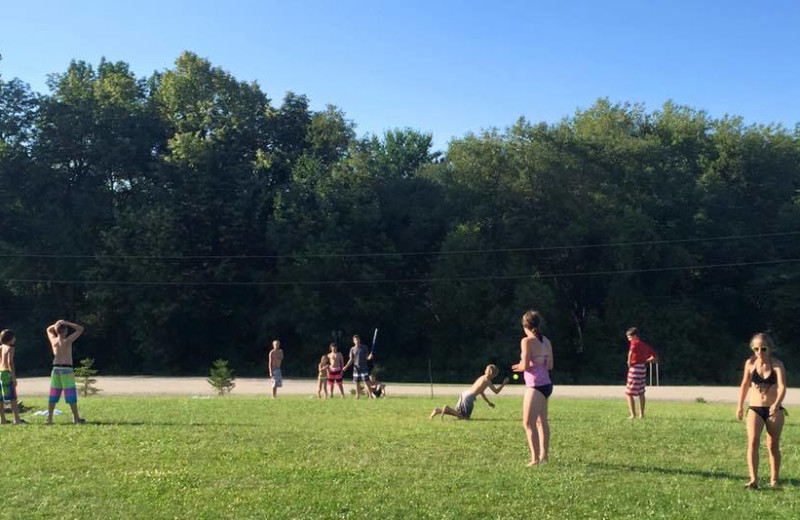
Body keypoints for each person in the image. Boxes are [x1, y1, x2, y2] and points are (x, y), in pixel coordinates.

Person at [736, 333, 787, 489]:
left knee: (772, 445)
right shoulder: (750, 364)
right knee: (752, 442)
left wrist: (777, 404)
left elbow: (783, 387)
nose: (759, 352)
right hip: (755, 408)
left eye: (763, 349)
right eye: (756, 348)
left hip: (774, 409)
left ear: (770, 349)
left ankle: (774, 479)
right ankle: (753, 479)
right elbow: (744, 385)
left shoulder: (777, 364)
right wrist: (740, 405)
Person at [511, 310, 554, 466]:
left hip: (535, 385)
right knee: (542, 422)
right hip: (547, 385)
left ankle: (535, 459)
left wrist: (520, 366)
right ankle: (544, 456)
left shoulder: (527, 341)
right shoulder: (546, 341)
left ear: (525, 326)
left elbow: (526, 364)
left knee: (528, 423)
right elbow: (550, 365)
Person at [429, 364, 508, 419]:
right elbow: (496, 391)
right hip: (469, 397)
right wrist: (503, 383)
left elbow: (481, 392)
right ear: (493, 375)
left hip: (465, 394)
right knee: (465, 417)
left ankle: (438, 410)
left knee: (459, 414)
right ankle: (447, 408)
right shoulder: (488, 381)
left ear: (485, 371)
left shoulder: (482, 378)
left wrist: (488, 402)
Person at [46, 319, 85, 424]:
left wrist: (56, 324)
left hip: (56, 369)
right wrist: (66, 323)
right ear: (65, 331)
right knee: (70, 395)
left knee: (53, 395)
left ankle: (50, 418)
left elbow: (48, 330)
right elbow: (80, 329)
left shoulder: (54, 340)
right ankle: (76, 418)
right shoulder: (67, 340)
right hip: (66, 370)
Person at [624, 327, 658, 419]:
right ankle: (641, 415)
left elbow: (631, 352)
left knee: (629, 393)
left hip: (635, 369)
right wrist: (645, 361)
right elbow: (655, 357)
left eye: (629, 337)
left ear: (635, 336)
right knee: (641, 392)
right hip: (643, 369)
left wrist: (629, 361)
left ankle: (632, 414)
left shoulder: (634, 343)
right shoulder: (645, 345)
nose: (628, 339)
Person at [0, 329, 24, 424]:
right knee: (13, 398)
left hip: (0, 372)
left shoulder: (1, 347)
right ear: (10, 338)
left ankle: (2, 419)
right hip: (7, 373)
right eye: (14, 337)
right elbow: (10, 363)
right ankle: (16, 419)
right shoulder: (10, 348)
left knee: (1, 398)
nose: (15, 339)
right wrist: (13, 377)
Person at [342, 334, 373, 399]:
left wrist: (369, 357)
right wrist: (346, 366)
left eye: (358, 339)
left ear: (360, 340)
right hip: (356, 368)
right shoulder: (352, 349)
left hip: (364, 368)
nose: (357, 341)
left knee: (366, 381)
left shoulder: (364, 347)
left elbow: (367, 357)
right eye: (355, 340)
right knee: (356, 382)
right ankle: (357, 395)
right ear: (353, 341)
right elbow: (351, 359)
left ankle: (370, 395)